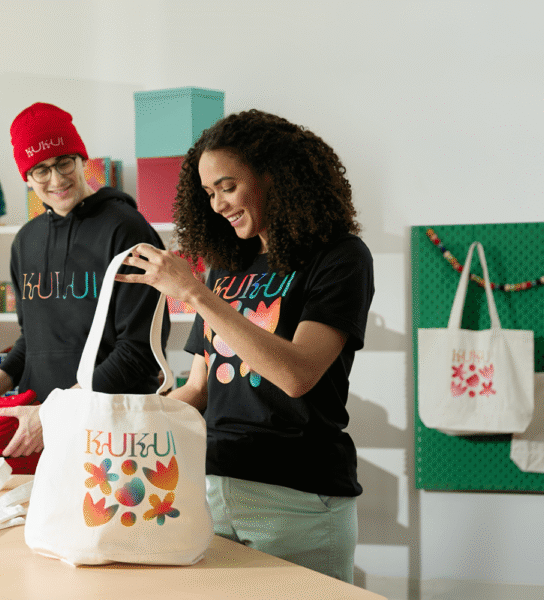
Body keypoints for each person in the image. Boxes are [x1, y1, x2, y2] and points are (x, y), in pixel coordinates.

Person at [114, 109, 374, 583]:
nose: (217, 205)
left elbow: (297, 375)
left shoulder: (340, 258)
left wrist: (195, 294)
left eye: (228, 187)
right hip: (212, 488)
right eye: (209, 193)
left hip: (296, 499)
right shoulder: (227, 268)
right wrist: (125, 422)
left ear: (275, 174)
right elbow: (199, 389)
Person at [0, 101, 169, 458]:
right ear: (26, 178)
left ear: (81, 160)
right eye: (41, 170)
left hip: (112, 431)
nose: (56, 180)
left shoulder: (126, 230)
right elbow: (34, 340)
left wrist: (59, 411)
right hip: (40, 429)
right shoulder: (26, 240)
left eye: (63, 163)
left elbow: (139, 352)